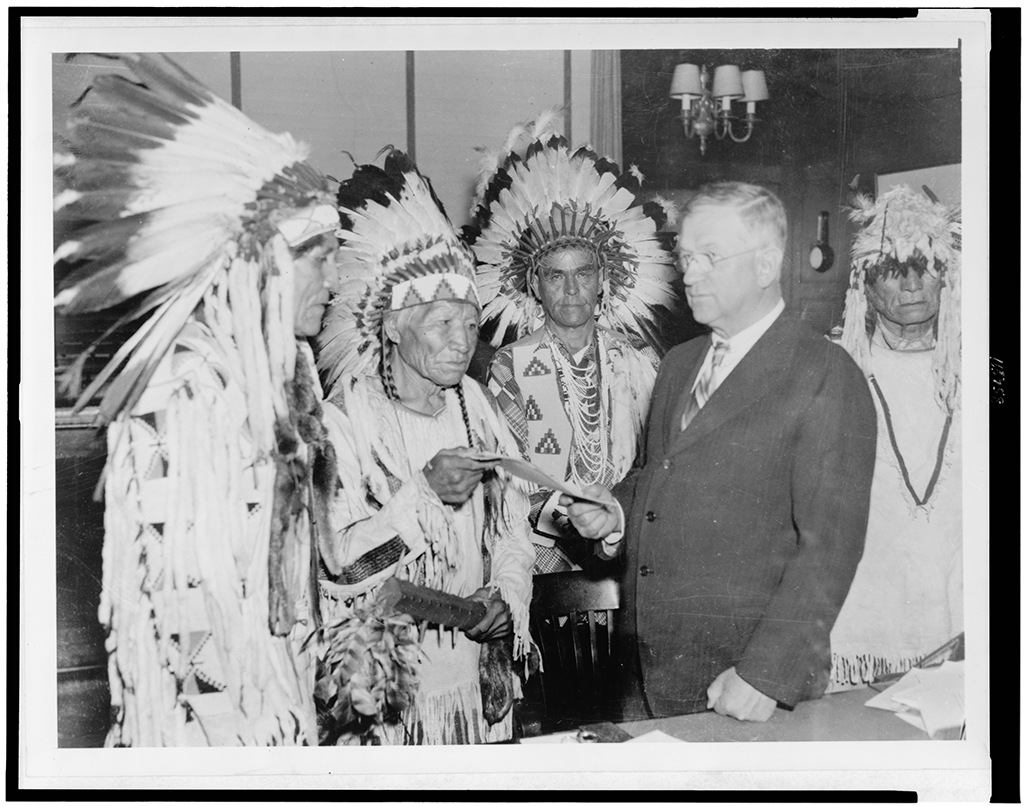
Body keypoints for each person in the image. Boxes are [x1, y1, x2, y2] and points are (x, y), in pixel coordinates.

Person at [53, 53, 343, 745]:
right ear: (267, 265)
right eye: (320, 258)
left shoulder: (277, 376)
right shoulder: (184, 392)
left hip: (277, 701)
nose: (335, 280)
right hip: (212, 725)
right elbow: (183, 616)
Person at [565, 182, 877, 722]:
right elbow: (656, 474)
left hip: (744, 682)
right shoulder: (679, 363)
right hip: (647, 670)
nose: (689, 273)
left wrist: (764, 674)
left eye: (709, 257)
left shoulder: (823, 372)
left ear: (765, 265)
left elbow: (830, 549)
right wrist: (616, 510)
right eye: (685, 256)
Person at [314, 150, 535, 745]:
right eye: (443, 324)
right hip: (392, 693)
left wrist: (505, 597)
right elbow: (337, 567)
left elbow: (514, 526)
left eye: (470, 324)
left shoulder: (475, 404)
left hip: (475, 682)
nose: (463, 342)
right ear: (391, 325)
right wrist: (424, 495)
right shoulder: (346, 422)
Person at [464, 110, 678, 574]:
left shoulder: (639, 362)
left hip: (627, 550)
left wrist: (612, 524)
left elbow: (655, 466)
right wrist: (577, 519)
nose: (571, 289)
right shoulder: (511, 366)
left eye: (583, 273)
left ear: (603, 279)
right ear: (534, 285)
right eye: (555, 276)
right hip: (544, 560)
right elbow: (514, 477)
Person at [829, 185, 963, 686]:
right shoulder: (836, 372)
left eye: (923, 265)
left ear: (945, 276)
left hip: (960, 602)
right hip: (869, 612)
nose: (910, 284)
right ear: (863, 285)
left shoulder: (984, 371)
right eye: (890, 269)